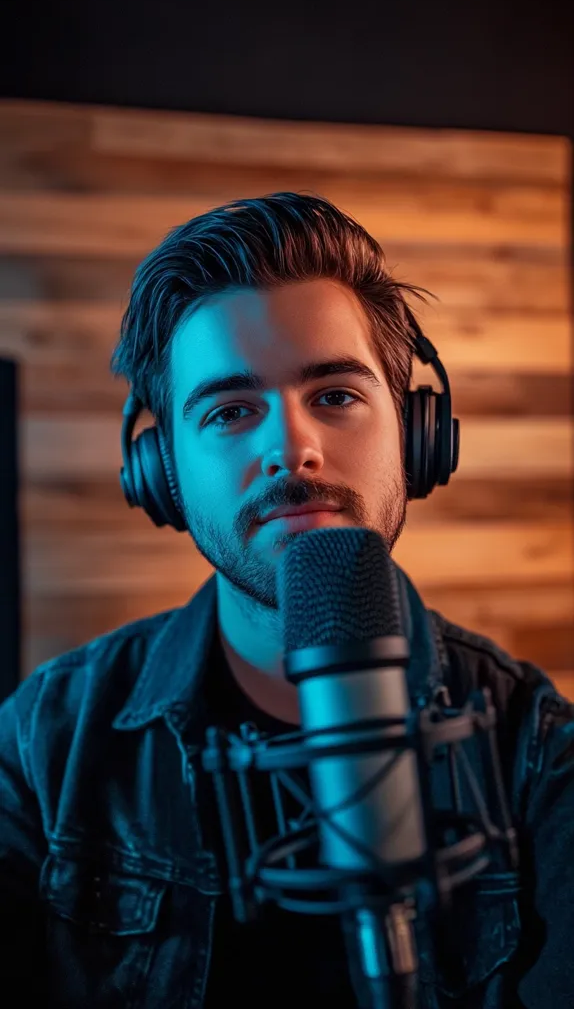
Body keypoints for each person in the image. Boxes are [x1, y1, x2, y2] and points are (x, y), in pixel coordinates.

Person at [0, 192, 572, 1009]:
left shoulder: (537, 750)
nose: (291, 449)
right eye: (232, 411)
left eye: (335, 396)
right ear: (161, 474)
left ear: (417, 437)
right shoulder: (41, 749)